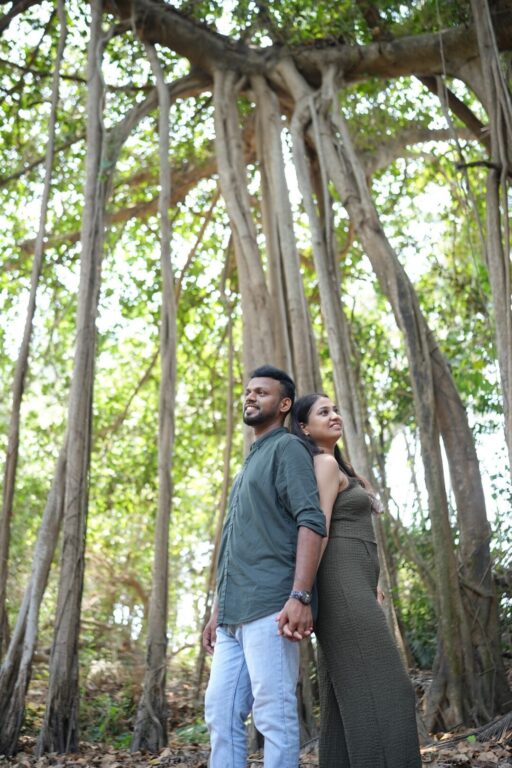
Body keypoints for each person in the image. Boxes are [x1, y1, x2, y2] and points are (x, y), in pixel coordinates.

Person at [203, 365, 327, 768]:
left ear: (285, 404)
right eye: (248, 391)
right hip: (232, 615)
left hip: (272, 606)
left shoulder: (287, 448)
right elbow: (237, 544)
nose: (250, 397)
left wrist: (300, 596)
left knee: (274, 713)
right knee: (220, 713)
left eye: (262, 392)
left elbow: (311, 519)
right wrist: (218, 611)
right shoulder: (249, 462)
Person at [290, 393, 422, 768]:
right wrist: (303, 593)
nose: (334, 415)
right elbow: (319, 528)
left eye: (335, 410)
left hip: (354, 583)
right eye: (323, 412)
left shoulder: (338, 465)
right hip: (340, 584)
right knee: (389, 689)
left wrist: (368, 583)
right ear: (304, 427)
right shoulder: (324, 464)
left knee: (341, 696)